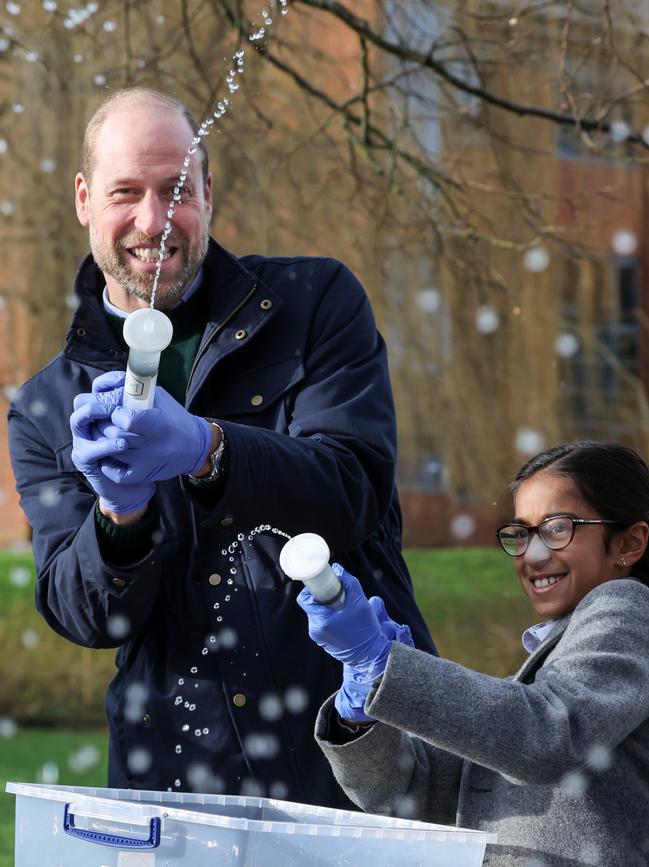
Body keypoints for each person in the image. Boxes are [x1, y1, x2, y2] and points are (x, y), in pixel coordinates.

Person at [7, 87, 435, 806]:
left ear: (208, 191)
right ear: (84, 198)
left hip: (361, 750)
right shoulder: (47, 405)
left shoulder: (313, 302)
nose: (154, 220)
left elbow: (353, 489)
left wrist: (209, 449)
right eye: (125, 192)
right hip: (177, 779)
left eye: (176, 189)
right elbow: (87, 617)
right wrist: (120, 519)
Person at [299, 442, 649, 865]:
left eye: (558, 529)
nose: (533, 556)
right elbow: (409, 793)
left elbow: (550, 736)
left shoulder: (629, 606)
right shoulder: (548, 666)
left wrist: (386, 666)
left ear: (629, 543)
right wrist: (362, 712)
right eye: (521, 533)